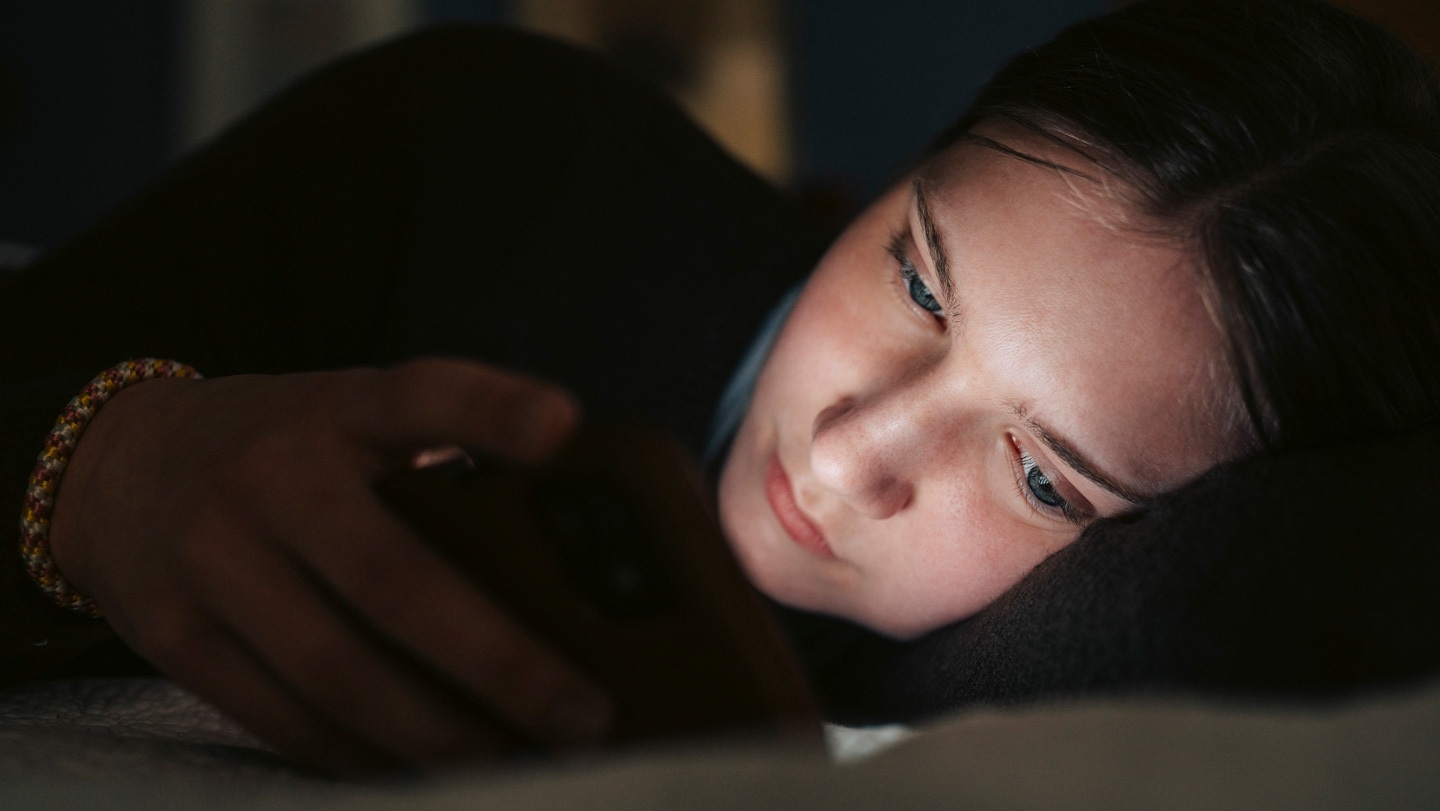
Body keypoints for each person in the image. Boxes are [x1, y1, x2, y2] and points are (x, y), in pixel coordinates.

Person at [2, 0, 1439, 773]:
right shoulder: (479, 158)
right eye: (919, 281)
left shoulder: (1209, 583)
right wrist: (104, 467)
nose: (846, 451)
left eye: (1045, 475)